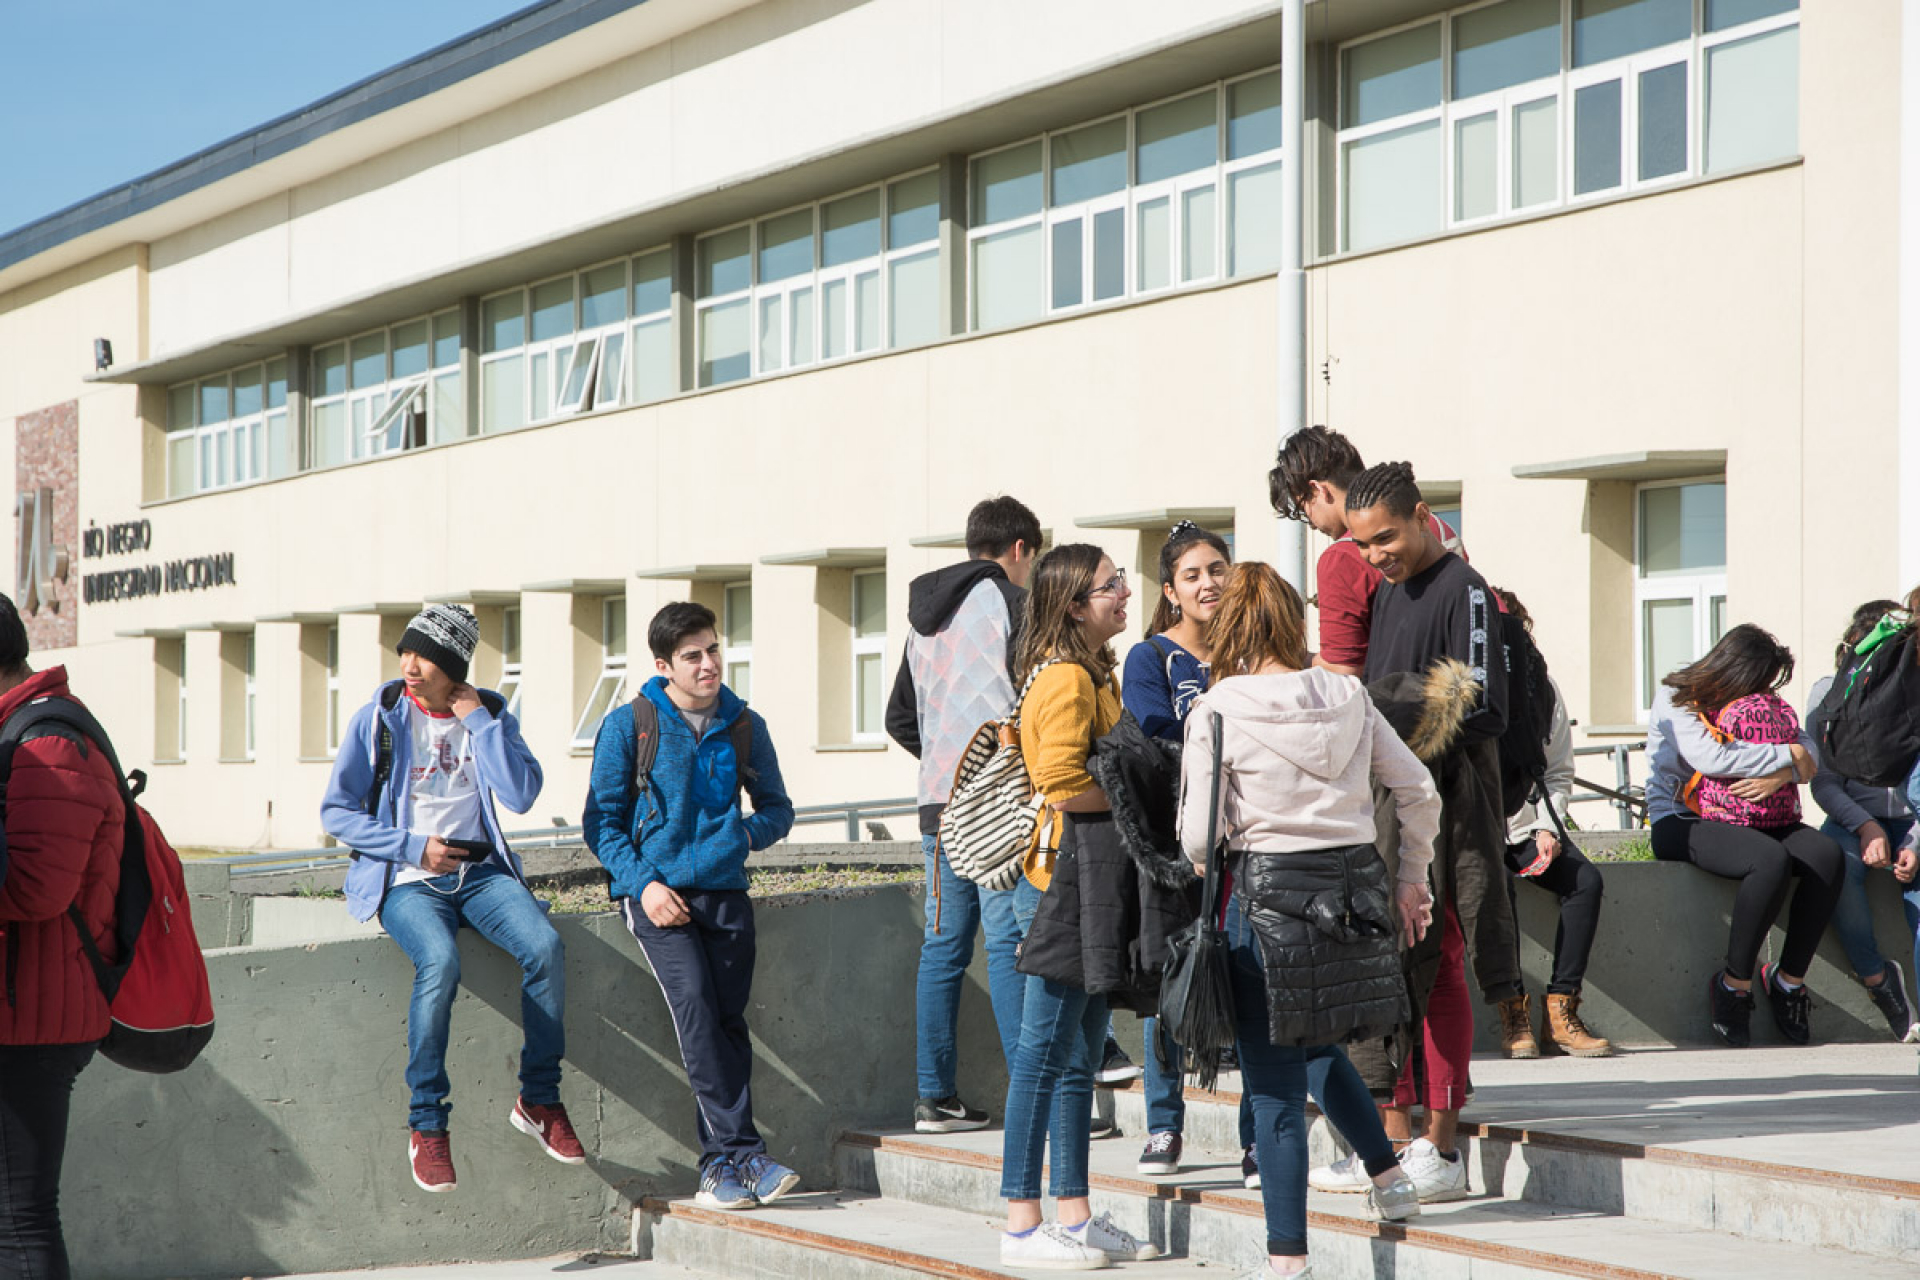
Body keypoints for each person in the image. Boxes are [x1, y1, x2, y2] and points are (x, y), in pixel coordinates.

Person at [1180, 563, 1429, 1280]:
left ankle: (1289, 1262)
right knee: (1320, 1045)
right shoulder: (1347, 694)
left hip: (1265, 906)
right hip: (1352, 902)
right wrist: (1411, 878)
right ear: (1293, 623)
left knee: (1275, 1091)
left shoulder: (1219, 708)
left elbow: (1199, 840)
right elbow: (1417, 789)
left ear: (1229, 627)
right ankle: (1389, 1178)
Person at [321, 603, 580, 1194]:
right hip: (410, 880)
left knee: (544, 947)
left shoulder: (488, 715)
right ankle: (428, 1125)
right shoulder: (378, 719)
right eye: (407, 652)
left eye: (427, 657)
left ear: (454, 666)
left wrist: (482, 723)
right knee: (440, 962)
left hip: (481, 875)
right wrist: (413, 848)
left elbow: (520, 796)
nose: (411, 665)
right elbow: (337, 811)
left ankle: (539, 1100)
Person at [1333, 461, 1520, 1203]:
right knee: (1389, 958)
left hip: (1451, 802)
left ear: (1421, 514)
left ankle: (1440, 1146)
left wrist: (1381, 710)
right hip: (1390, 801)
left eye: (1386, 538)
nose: (1376, 555)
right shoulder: (1388, 591)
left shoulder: (1467, 590)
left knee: (1439, 955)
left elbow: (1486, 706)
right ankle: (1392, 1132)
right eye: (1363, 545)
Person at [582, 601, 797, 1210]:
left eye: (713, 650)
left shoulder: (743, 724)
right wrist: (644, 885)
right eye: (693, 656)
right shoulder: (631, 725)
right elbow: (601, 823)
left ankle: (719, 1168)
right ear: (663, 665)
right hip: (656, 895)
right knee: (697, 1012)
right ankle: (745, 1151)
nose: (709, 664)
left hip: (726, 893)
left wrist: (742, 837)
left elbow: (778, 807)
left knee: (728, 1025)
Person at [995, 544, 1160, 1270]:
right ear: (1073, 604)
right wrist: (1144, 799)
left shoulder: (1096, 672)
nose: (1125, 592)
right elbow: (1060, 782)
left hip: (1092, 879)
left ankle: (1074, 1213)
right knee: (1041, 1052)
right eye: (1110, 585)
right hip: (1061, 881)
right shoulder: (1065, 678)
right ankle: (1021, 1222)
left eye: (1121, 580)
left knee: (1079, 1055)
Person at [884, 495, 1040, 1133]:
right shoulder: (1013, 602)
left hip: (937, 801)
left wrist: (947, 754)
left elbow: (898, 717)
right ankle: (1033, 1098)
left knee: (944, 947)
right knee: (1005, 942)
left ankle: (933, 1098)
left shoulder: (923, 618)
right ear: (1020, 551)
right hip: (1000, 799)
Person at [1120, 522, 1260, 1185]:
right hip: (1180, 849)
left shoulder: (1254, 650)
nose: (1209, 583)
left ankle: (1257, 1138)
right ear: (1171, 591)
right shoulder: (1151, 658)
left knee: (1255, 987)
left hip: (1254, 845)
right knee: (1173, 986)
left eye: (1217, 569)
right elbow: (1153, 736)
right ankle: (1163, 1122)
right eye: (1193, 574)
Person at [0, 595, 125, 1278]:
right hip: (23, 1005)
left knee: (18, 1220)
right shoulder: (19, 733)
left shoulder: (47, 742)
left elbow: (36, 889)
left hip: (34, 1019)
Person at [1647, 624, 1841, 1047]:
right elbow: (1710, 757)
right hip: (1683, 817)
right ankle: (1734, 985)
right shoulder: (1678, 695)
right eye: (1760, 682)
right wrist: (1786, 760)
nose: (1764, 694)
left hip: (1758, 813)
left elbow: (1810, 757)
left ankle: (1788, 981)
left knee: (1825, 855)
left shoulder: (1758, 704)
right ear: (1737, 671)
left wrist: (1783, 772)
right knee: (1768, 860)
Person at [1491, 588, 1611, 1059]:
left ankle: (1561, 1012)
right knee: (1493, 888)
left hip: (1524, 822)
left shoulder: (1541, 686)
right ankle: (1512, 1013)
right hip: (1469, 828)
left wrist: (1546, 826)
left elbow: (1558, 771)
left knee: (1586, 881)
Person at [1267, 425, 1463, 678]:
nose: (1313, 524)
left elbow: (1344, 670)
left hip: (1404, 702)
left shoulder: (1341, 558)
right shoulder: (1430, 524)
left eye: (1305, 509)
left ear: (1319, 490)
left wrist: (1289, 660)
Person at [1809, 599, 1917, 1040]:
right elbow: (1823, 782)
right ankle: (1877, 980)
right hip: (1855, 818)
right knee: (1833, 865)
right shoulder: (1830, 692)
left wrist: (1914, 841)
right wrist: (1865, 825)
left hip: (1912, 822)